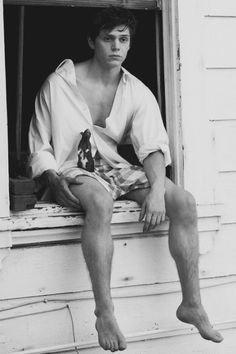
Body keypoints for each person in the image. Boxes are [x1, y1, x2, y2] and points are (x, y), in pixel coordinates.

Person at [28, 6, 223, 352]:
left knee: (184, 202)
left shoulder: (135, 89)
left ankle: (191, 303)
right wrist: (49, 175)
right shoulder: (59, 85)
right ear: (92, 41)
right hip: (72, 168)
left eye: (123, 39)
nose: (116, 46)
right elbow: (39, 144)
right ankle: (105, 312)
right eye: (108, 38)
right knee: (100, 203)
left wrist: (159, 190)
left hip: (112, 166)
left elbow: (152, 146)